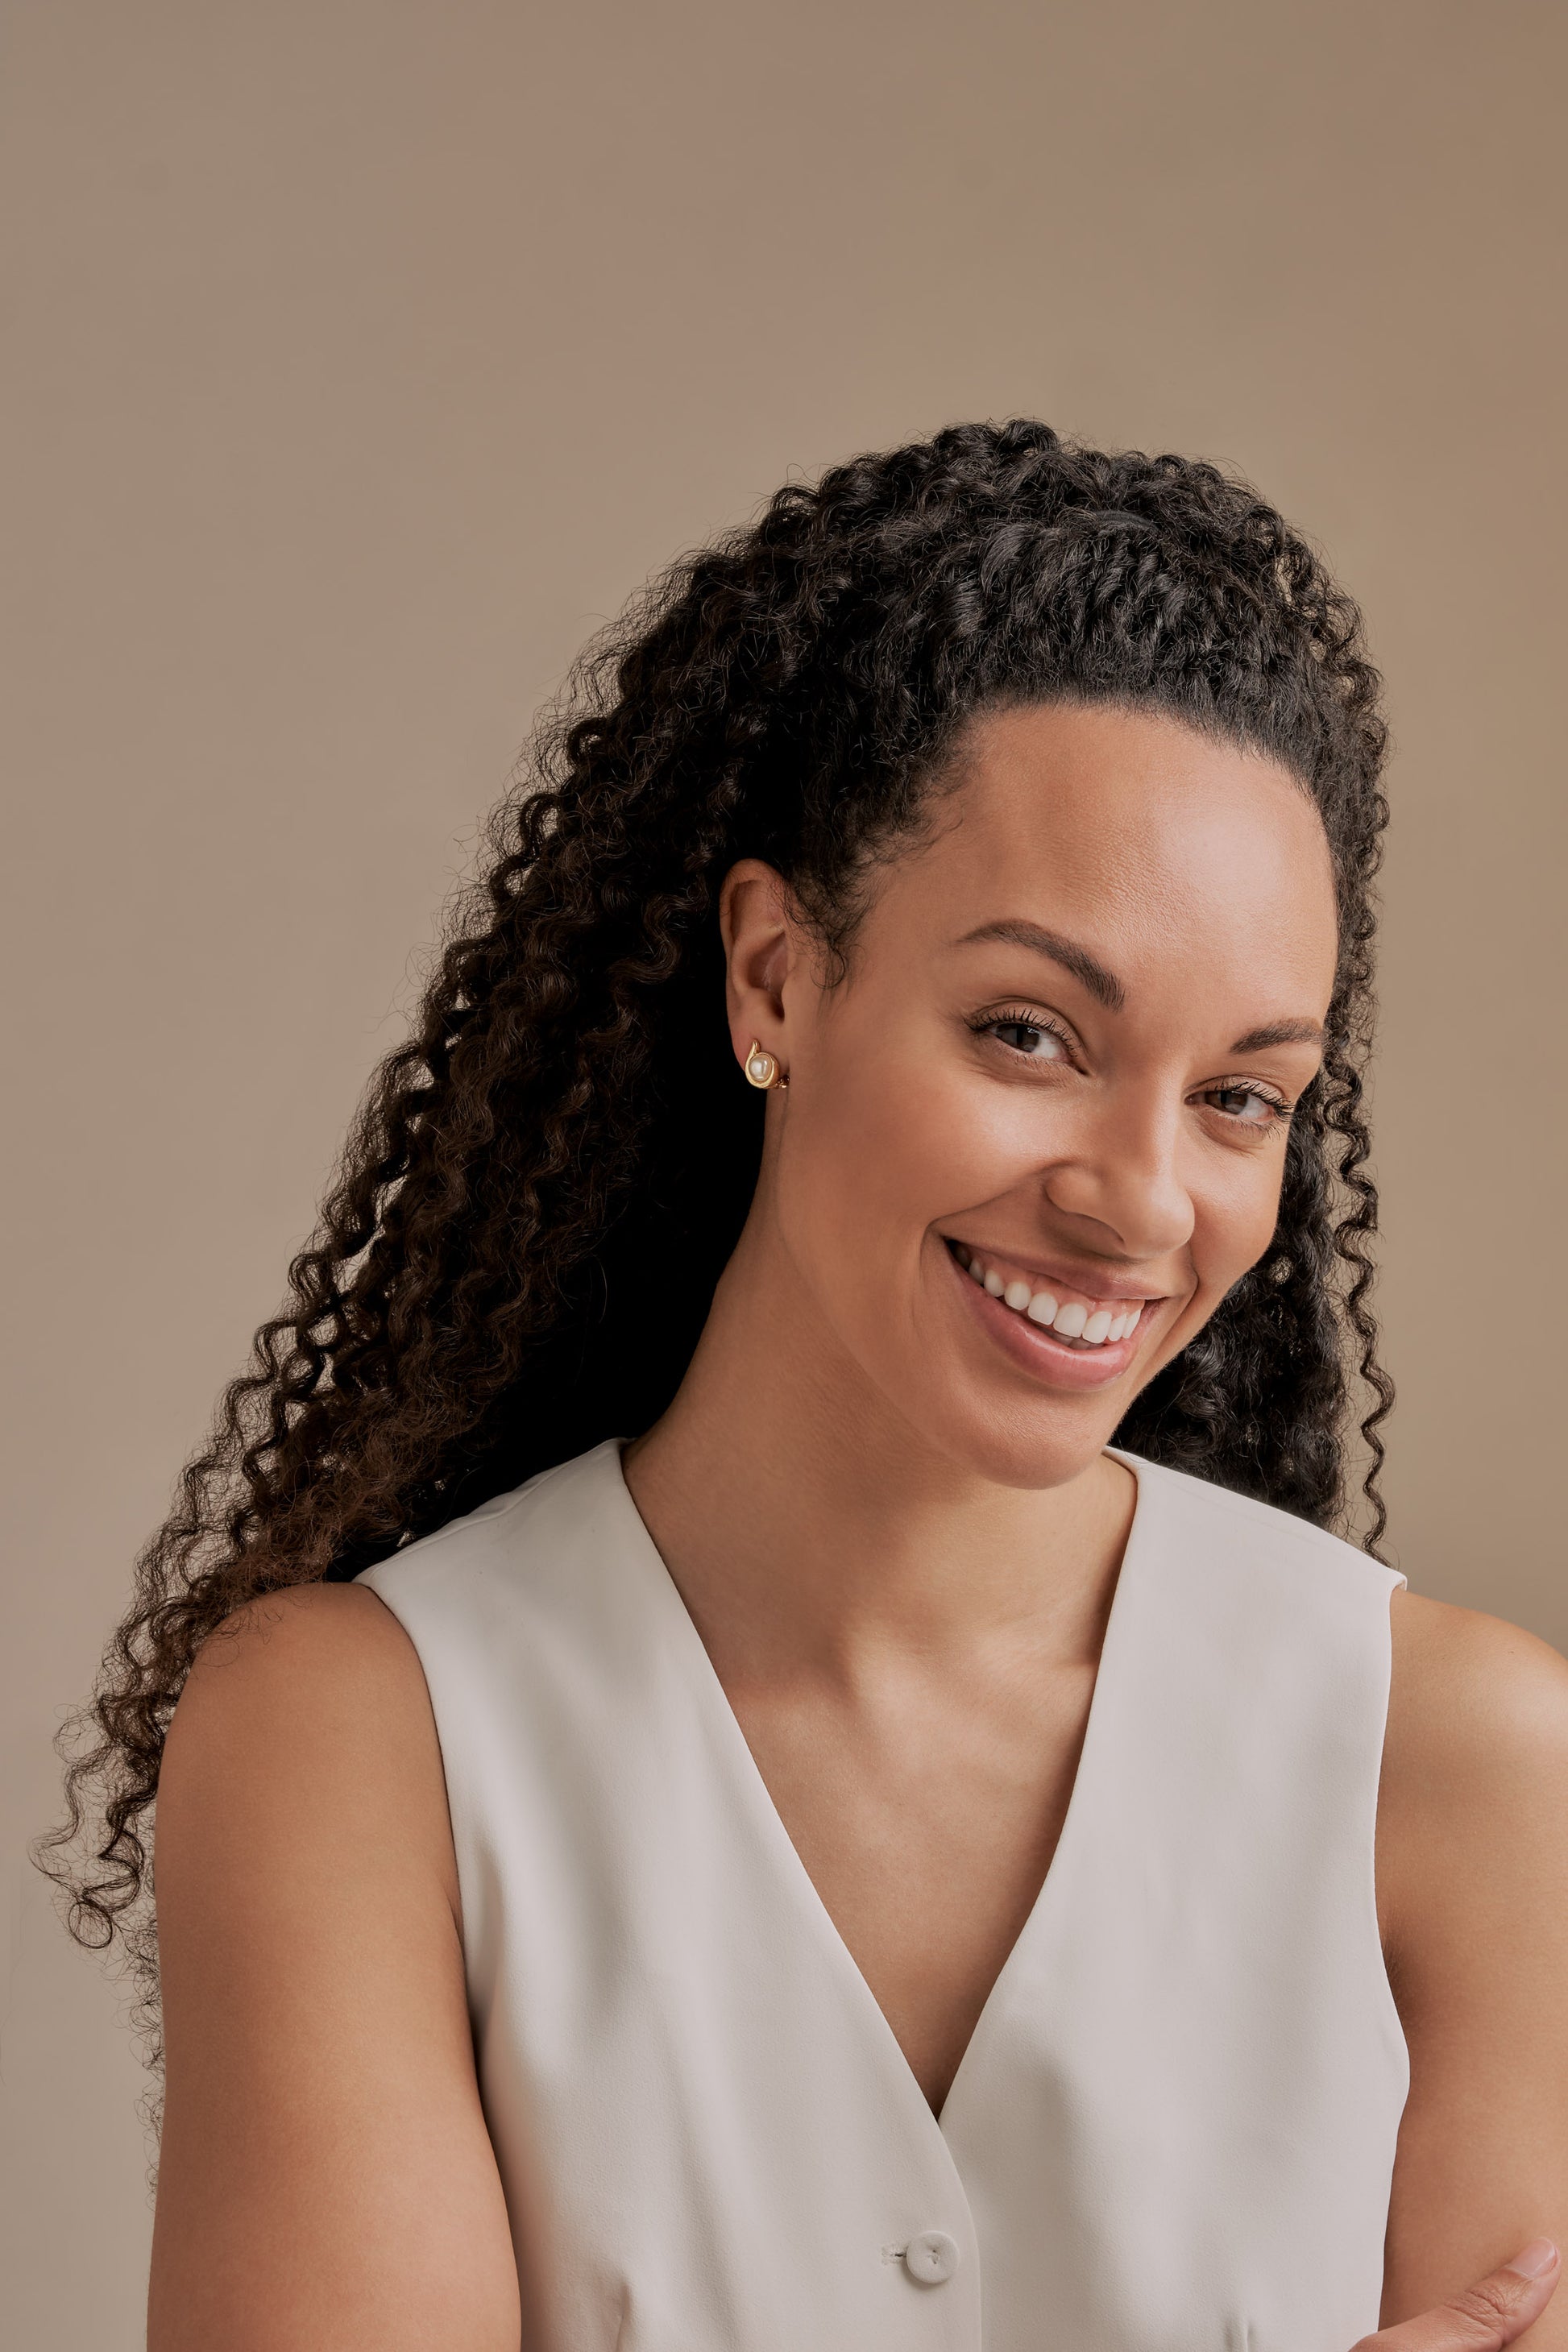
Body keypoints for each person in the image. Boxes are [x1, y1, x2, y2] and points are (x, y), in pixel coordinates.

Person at [46, 423, 1568, 2351]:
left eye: (1240, 1095)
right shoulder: (366, 1743)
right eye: (1029, 1031)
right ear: (773, 974)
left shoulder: (1461, 1766)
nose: (1137, 1195)